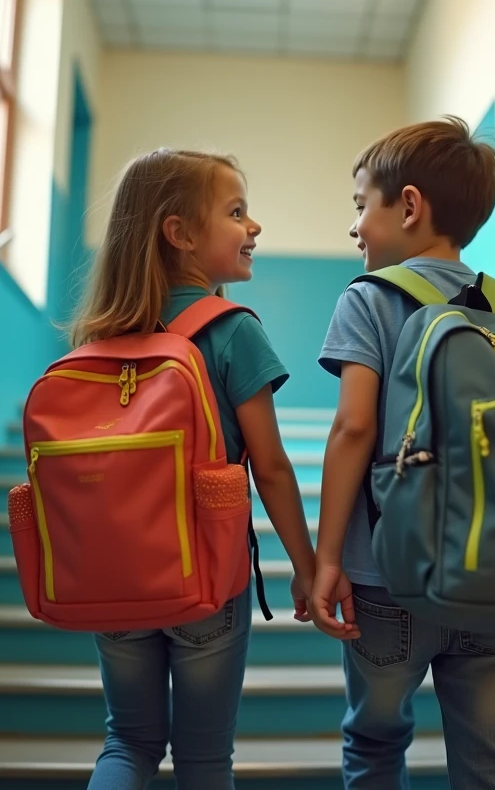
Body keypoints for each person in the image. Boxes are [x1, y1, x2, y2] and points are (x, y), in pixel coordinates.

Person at [71, 148, 317, 790]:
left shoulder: (100, 339)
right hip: (205, 575)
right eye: (236, 212)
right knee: (205, 761)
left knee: (127, 743)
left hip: (114, 576)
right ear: (179, 233)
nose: (253, 226)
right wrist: (307, 565)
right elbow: (271, 467)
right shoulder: (232, 332)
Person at [312, 117, 495, 789]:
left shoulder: (369, 299)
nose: (355, 227)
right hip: (488, 573)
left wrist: (327, 559)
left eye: (361, 206)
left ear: (408, 206)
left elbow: (353, 429)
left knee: (374, 747)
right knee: (492, 761)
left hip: (387, 576)